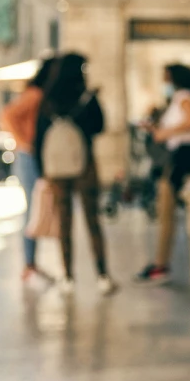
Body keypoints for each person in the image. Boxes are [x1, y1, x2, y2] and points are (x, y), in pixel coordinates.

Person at [36, 53, 116, 295]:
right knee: (93, 220)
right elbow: (100, 125)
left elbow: (38, 136)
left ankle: (68, 276)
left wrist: (42, 171)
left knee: (64, 222)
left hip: (56, 169)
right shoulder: (86, 97)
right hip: (84, 164)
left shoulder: (47, 99)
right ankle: (102, 275)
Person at [135, 64, 190, 284]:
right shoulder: (181, 98)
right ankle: (160, 261)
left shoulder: (184, 97)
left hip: (182, 158)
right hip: (179, 156)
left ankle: (161, 263)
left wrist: (165, 132)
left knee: (166, 209)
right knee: (165, 210)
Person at [0, 57, 55, 288]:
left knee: (36, 207)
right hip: (27, 156)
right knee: (32, 209)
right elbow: (7, 115)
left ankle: (31, 262)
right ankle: (29, 264)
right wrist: (24, 142)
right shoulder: (35, 94)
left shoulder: (40, 94)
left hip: (31, 155)